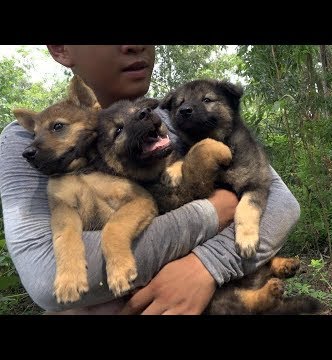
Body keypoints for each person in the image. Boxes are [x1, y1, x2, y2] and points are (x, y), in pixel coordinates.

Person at [0, 45, 301, 315]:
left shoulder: (178, 115)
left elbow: (282, 204)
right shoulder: (31, 145)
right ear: (62, 50)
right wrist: (217, 210)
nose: (136, 46)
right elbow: (45, 275)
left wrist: (208, 265)